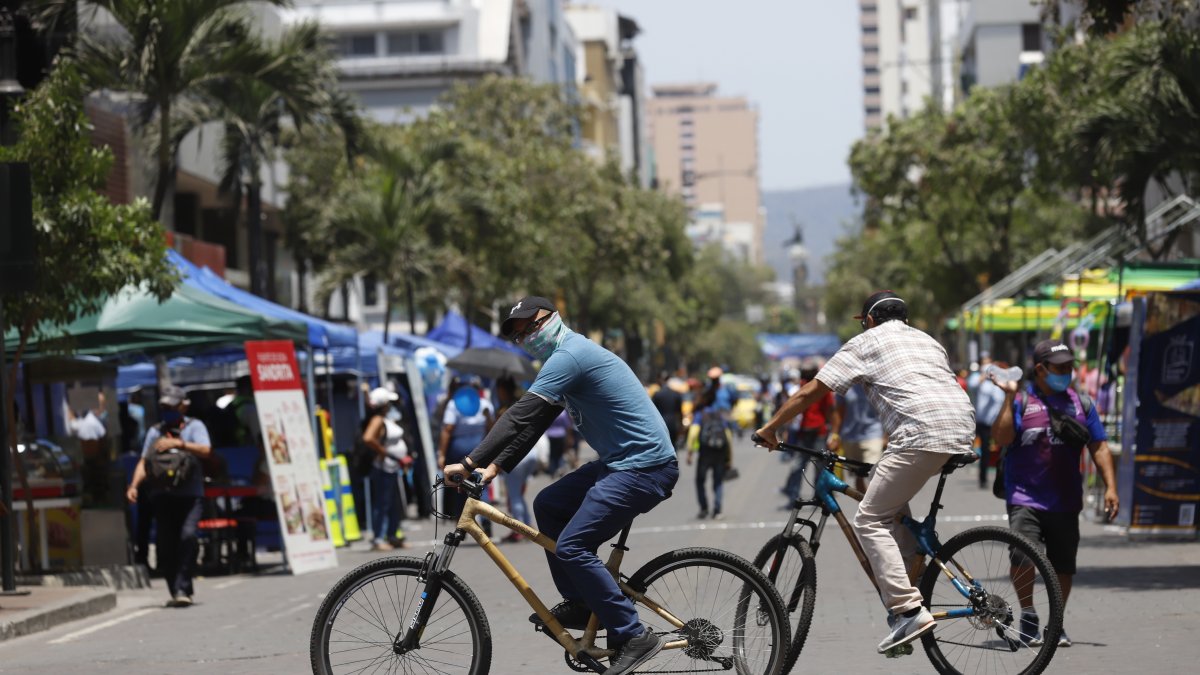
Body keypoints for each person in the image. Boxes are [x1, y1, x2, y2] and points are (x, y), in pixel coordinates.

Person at [443, 296, 678, 675]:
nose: (527, 337)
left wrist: (469, 461)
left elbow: (520, 415)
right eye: (520, 335)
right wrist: (495, 467)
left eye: (531, 326)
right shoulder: (563, 360)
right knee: (549, 505)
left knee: (572, 546)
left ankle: (634, 634)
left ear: (553, 317)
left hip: (645, 467)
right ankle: (583, 601)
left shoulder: (571, 355)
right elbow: (536, 422)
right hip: (619, 464)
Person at [755, 290, 975, 655]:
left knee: (870, 519)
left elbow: (812, 391)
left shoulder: (865, 342)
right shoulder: (928, 340)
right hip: (961, 431)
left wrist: (770, 428)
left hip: (919, 435)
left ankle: (907, 610)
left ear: (869, 320)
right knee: (891, 506)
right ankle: (912, 577)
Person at [990, 339, 1119, 649]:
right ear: (1040, 369)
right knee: (1022, 556)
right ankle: (1029, 614)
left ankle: (1056, 622)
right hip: (1025, 497)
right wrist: (1008, 398)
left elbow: (1099, 446)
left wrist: (1111, 487)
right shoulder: (1022, 401)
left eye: (1069, 366)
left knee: (1062, 565)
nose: (1067, 372)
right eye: (1060, 368)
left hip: (1065, 499)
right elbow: (1002, 438)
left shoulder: (1082, 404)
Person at [125, 385, 212, 607]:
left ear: (183, 406)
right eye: (164, 407)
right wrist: (134, 485)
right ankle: (176, 590)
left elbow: (206, 450)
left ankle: (184, 586)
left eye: (172, 406)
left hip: (190, 496)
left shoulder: (195, 427)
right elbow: (144, 462)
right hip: (162, 496)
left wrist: (179, 444)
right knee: (166, 544)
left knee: (188, 536)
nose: (168, 411)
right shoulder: (155, 432)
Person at [438, 377, 496, 523]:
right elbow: (492, 430)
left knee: (460, 486)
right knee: (481, 483)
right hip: (481, 449)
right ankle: (486, 519)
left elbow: (447, 429)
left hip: (459, 451)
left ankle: (462, 522)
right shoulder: (485, 404)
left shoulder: (453, 404)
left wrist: (442, 454)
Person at [363, 387, 410, 551]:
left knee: (394, 504)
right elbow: (368, 438)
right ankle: (378, 538)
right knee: (382, 504)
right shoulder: (377, 420)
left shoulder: (385, 418)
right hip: (384, 468)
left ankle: (392, 535)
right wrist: (383, 452)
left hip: (392, 468)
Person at [781, 363, 834, 502]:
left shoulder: (822, 388)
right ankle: (794, 495)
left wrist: (832, 430)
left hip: (819, 432)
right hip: (805, 432)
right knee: (798, 465)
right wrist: (787, 429)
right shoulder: (802, 387)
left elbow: (829, 409)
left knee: (819, 466)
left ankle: (819, 496)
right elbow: (793, 407)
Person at [826, 383, 885, 493]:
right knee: (859, 476)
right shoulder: (846, 386)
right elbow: (838, 413)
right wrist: (834, 435)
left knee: (873, 475)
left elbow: (886, 412)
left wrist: (886, 435)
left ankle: (875, 502)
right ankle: (865, 503)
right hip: (849, 437)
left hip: (873, 435)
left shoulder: (877, 385)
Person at [687, 391, 733, 520]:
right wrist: (729, 458)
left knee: (700, 481)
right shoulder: (719, 415)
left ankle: (704, 509)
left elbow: (693, 433)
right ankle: (717, 510)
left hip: (705, 453)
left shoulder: (700, 414)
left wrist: (690, 452)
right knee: (718, 481)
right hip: (720, 452)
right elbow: (728, 437)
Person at [972, 360, 1008, 489]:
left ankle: (1000, 478)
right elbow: (972, 384)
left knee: (1000, 452)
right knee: (983, 451)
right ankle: (983, 478)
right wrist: (983, 376)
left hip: (996, 424)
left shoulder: (998, 385)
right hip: (982, 423)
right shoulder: (981, 383)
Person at [649, 371, 684, 450]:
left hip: (660, 425)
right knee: (673, 447)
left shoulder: (657, 395)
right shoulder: (676, 394)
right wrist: (681, 427)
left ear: (658, 380)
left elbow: (652, 413)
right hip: (673, 425)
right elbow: (679, 413)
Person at [544, 408, 575, 477]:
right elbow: (568, 425)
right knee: (560, 453)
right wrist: (569, 437)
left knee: (552, 453)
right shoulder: (563, 413)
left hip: (550, 435)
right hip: (561, 435)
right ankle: (560, 469)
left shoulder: (549, 411)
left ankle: (552, 470)